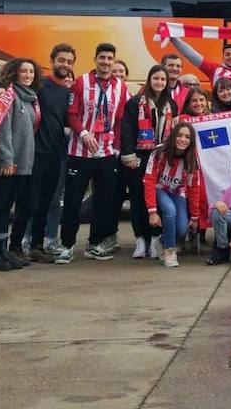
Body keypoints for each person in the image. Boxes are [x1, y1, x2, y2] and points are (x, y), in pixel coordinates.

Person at [59, 42, 129, 264]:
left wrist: (117, 147)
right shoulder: (81, 82)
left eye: (110, 58)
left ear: (114, 61)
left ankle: (95, 243)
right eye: (102, 58)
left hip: (106, 153)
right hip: (80, 151)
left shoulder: (121, 87)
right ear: (95, 59)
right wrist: (83, 133)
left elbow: (120, 120)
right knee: (72, 199)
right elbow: (71, 114)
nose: (106, 62)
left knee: (104, 201)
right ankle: (67, 245)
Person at [0, 58, 40, 272]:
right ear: (14, 73)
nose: (28, 75)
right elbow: (1, 129)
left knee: (6, 208)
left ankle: (2, 250)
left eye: (31, 72)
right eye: (23, 71)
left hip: (22, 163)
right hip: (7, 163)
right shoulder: (8, 94)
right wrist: (6, 158)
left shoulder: (29, 97)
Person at [22, 43, 75, 263]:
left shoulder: (68, 92)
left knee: (48, 201)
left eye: (69, 62)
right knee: (29, 200)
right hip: (36, 153)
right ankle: (22, 242)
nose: (65, 65)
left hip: (57, 155)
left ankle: (37, 244)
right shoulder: (39, 84)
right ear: (52, 61)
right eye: (61, 60)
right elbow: (11, 82)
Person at [121, 64, 177, 260]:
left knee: (158, 201)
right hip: (140, 157)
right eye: (156, 79)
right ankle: (140, 241)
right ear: (149, 80)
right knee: (137, 199)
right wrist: (128, 155)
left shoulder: (172, 104)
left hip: (162, 158)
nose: (159, 82)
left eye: (163, 79)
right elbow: (127, 130)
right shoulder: (135, 103)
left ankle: (155, 239)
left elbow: (177, 132)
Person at [144, 122, 199, 267]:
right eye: (179, 135)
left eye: (187, 137)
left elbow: (193, 188)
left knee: (182, 229)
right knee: (169, 210)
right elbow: (149, 180)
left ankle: (162, 241)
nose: (183, 139)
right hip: (159, 188)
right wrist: (152, 211)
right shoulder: (159, 153)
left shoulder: (192, 159)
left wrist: (194, 217)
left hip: (177, 192)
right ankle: (170, 251)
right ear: (173, 136)